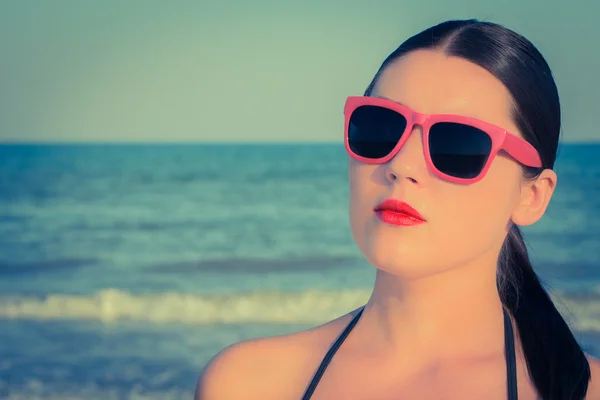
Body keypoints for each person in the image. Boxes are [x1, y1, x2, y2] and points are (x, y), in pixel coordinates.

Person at [195, 19, 600, 400]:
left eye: (456, 144)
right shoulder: (249, 384)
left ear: (532, 196)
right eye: (380, 127)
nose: (401, 165)